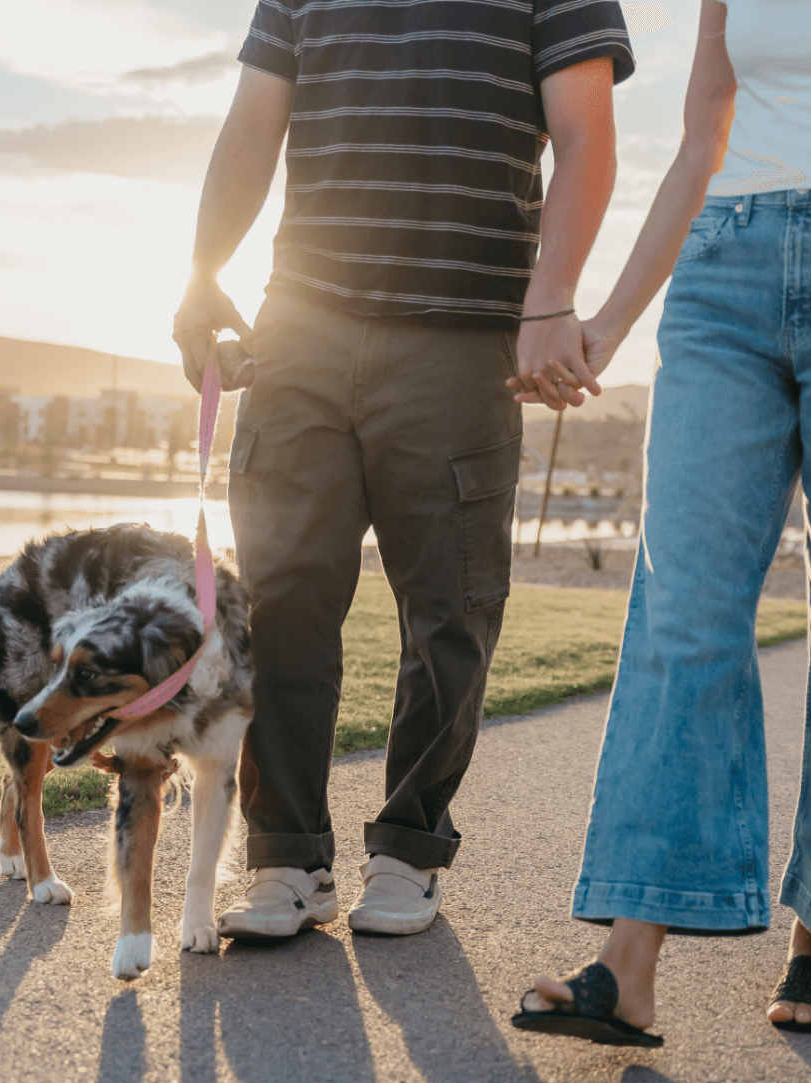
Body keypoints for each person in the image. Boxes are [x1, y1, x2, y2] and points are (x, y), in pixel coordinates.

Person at [172, 0, 634, 939]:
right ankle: (286, 857)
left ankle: (409, 849)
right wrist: (199, 271)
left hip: (464, 341)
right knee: (285, 597)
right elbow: (253, 123)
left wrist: (550, 303)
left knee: (450, 610)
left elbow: (586, 137)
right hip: (301, 326)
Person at [510, 0, 811, 1045]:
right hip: (724, 275)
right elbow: (698, 142)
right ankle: (628, 963)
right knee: (685, 610)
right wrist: (608, 323)